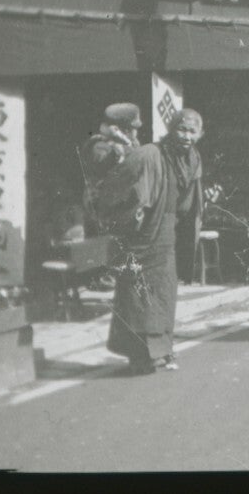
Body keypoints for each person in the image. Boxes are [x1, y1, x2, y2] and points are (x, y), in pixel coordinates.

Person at [85, 103, 182, 374]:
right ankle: (141, 354)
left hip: (145, 220)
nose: (133, 132)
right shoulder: (100, 144)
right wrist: (123, 153)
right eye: (130, 128)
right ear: (118, 126)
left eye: (135, 128)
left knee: (155, 290)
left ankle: (157, 352)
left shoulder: (136, 145)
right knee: (136, 291)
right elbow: (110, 173)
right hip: (123, 219)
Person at [161, 108, 204, 286]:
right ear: (171, 129)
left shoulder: (195, 156)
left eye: (192, 132)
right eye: (182, 130)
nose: (187, 136)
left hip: (186, 218)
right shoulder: (161, 153)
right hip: (164, 216)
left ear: (200, 134)